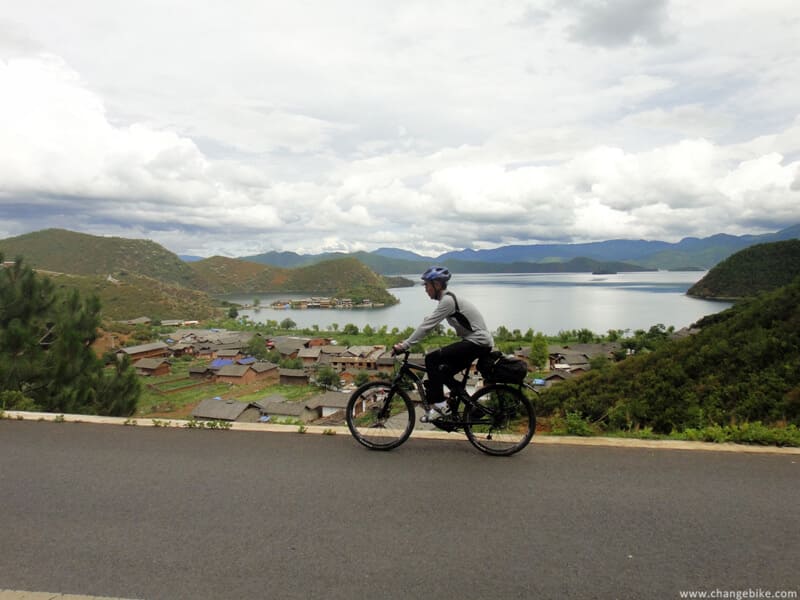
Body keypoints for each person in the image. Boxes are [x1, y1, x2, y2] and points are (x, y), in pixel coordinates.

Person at [393, 266, 494, 422]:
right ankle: (473, 406)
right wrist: (408, 340)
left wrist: (405, 345)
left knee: (431, 358)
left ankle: (440, 405)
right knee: (443, 371)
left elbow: (427, 326)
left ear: (437, 285)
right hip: (478, 342)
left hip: (477, 342)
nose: (425, 289)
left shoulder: (448, 301)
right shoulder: (447, 301)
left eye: (427, 285)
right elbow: (428, 323)